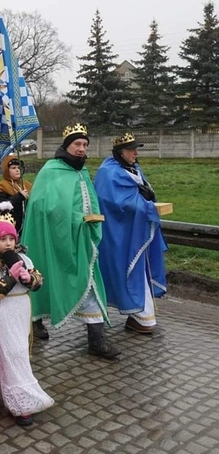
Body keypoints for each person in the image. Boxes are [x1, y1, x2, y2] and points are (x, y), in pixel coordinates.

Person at [21, 124, 120, 358]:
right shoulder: (50, 170)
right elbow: (41, 207)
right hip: (54, 240)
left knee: (91, 283)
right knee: (43, 280)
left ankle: (96, 341)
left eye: (85, 145)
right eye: (77, 144)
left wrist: (90, 221)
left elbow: (90, 201)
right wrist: (74, 218)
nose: (82, 149)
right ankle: (34, 322)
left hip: (83, 239)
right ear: (66, 146)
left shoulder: (82, 172)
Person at [0, 203, 54, 427]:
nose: (8, 243)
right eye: (2, 239)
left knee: (17, 349)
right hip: (2, 312)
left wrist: (29, 279)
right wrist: (10, 277)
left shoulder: (23, 259)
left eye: (11, 238)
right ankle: (21, 403)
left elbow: (38, 280)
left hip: (21, 310)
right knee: (14, 353)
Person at [94, 133, 168, 334]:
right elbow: (113, 203)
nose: (136, 153)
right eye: (131, 150)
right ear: (120, 152)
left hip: (137, 232)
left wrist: (148, 196)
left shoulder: (133, 168)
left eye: (136, 149)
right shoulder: (107, 173)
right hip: (120, 235)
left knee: (139, 272)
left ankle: (141, 316)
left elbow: (140, 194)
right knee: (128, 271)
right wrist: (143, 203)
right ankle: (140, 316)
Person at [0, 156, 32, 234]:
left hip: (27, 228)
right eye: (13, 168)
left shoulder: (27, 184)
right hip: (11, 228)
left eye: (19, 167)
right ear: (7, 170)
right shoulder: (1, 186)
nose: (17, 170)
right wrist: (19, 197)